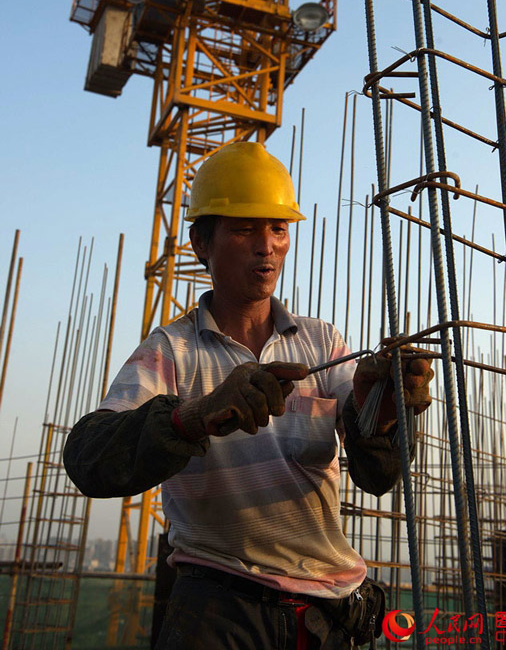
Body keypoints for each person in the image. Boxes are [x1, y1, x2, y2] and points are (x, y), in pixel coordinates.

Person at [63, 142, 433, 650]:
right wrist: (195, 415)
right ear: (200, 243)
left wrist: (381, 412)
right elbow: (89, 458)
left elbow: (378, 477)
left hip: (324, 615)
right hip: (218, 612)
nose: (267, 245)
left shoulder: (321, 343)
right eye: (244, 228)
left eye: (278, 228)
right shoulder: (172, 351)